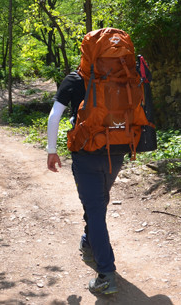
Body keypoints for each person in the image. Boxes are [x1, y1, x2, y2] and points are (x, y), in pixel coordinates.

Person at [46, 71, 125, 295]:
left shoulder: (76, 78)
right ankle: (89, 241)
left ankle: (106, 275)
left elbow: (55, 115)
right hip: (117, 151)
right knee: (99, 202)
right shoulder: (122, 76)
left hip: (86, 153)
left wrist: (52, 151)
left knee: (95, 209)